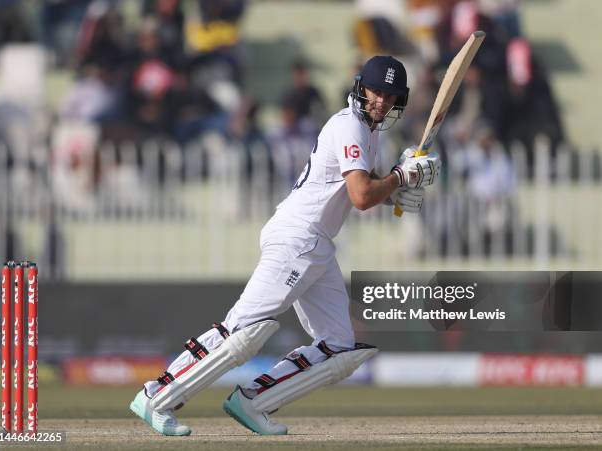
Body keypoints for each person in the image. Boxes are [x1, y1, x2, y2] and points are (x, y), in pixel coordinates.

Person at [129, 55, 442, 436]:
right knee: (243, 332)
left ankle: (253, 402)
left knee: (339, 348)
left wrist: (400, 187)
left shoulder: (369, 133)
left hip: (317, 244)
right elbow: (361, 197)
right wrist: (399, 176)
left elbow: (368, 188)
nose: (381, 101)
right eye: (376, 91)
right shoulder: (349, 126)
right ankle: (156, 394)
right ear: (361, 88)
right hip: (298, 236)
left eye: (389, 95)